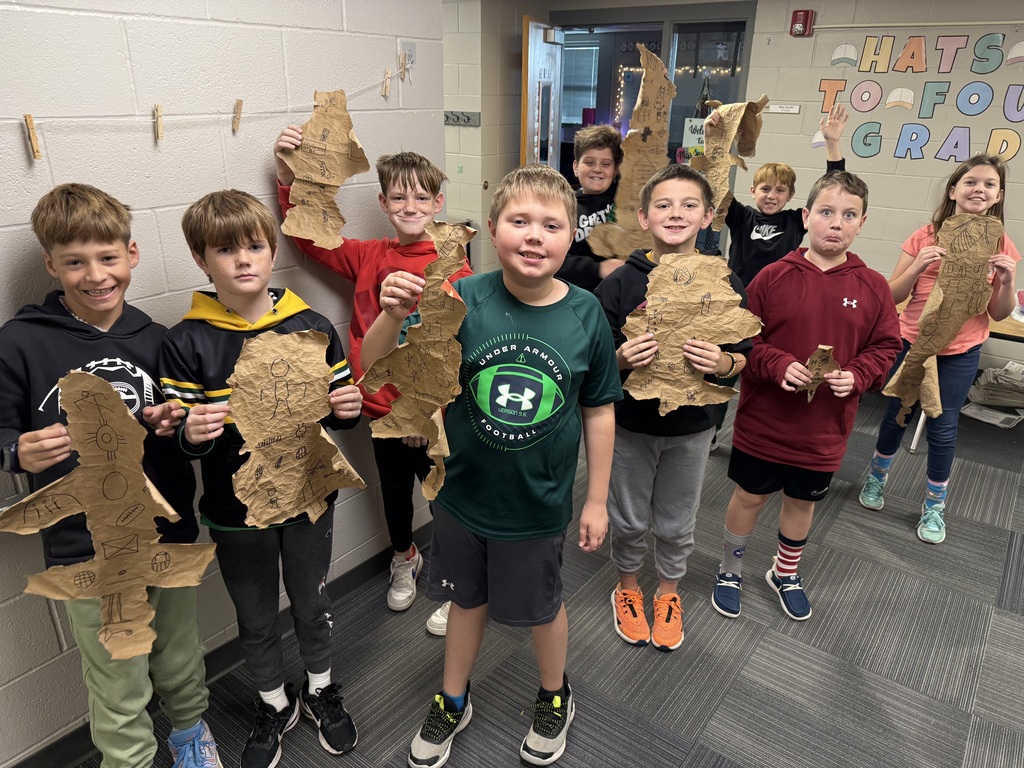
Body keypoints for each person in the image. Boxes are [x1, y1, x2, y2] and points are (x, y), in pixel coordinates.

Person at [361, 164, 621, 767]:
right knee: (464, 601)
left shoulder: (586, 315)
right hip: (460, 495)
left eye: (551, 225)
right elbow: (375, 366)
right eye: (519, 221)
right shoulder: (460, 298)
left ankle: (555, 693)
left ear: (571, 236)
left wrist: (597, 499)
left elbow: (599, 411)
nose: (534, 235)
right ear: (492, 230)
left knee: (541, 605)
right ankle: (454, 697)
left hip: (537, 503)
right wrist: (391, 315)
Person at [0, 184, 220, 768]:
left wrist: (173, 423)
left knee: (178, 654)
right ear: (51, 265)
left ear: (133, 255)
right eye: (75, 262)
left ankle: (191, 735)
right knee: (118, 677)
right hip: (86, 549)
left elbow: (181, 428)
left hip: (167, 533)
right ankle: (129, 761)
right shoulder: (19, 343)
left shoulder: (156, 338)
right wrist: (15, 453)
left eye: (107, 258)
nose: (95, 276)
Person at [159, 190, 363, 768]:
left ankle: (321, 688)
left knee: (311, 602)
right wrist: (190, 433)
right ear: (202, 259)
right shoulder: (187, 342)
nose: (244, 259)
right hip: (233, 509)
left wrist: (346, 409)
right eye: (226, 249)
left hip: (306, 501)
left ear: (273, 250)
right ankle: (274, 700)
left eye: (255, 245)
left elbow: (335, 417)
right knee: (253, 613)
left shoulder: (314, 325)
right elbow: (177, 437)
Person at [275, 128, 472, 634]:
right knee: (394, 495)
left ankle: (455, 580)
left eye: (422, 196)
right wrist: (285, 175)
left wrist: (426, 411)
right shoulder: (368, 256)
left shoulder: (456, 264)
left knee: (446, 498)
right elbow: (305, 235)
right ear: (384, 202)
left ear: (438, 202)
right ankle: (404, 558)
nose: (411, 205)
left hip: (432, 415)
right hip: (380, 410)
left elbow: (460, 347)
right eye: (399, 196)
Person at [711, 171, 901, 622]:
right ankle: (730, 568)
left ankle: (785, 571)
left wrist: (857, 375)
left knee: (802, 501)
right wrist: (777, 364)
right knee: (750, 496)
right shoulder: (772, 277)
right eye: (826, 212)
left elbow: (887, 347)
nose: (836, 223)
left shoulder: (873, 286)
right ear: (806, 217)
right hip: (765, 421)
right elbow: (743, 340)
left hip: (824, 428)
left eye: (849, 215)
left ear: (862, 223)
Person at [594, 164, 753, 650]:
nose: (675, 213)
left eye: (689, 205)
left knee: (678, 516)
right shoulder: (622, 283)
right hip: (629, 425)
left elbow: (747, 352)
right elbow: (592, 357)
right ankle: (626, 586)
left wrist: (725, 361)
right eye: (663, 204)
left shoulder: (725, 281)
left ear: (707, 217)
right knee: (627, 513)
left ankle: (667, 591)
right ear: (643, 217)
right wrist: (618, 359)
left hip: (693, 427)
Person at [859, 155, 1019, 544]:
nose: (978, 189)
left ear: (998, 196)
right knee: (897, 411)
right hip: (912, 342)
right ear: (953, 190)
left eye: (989, 184)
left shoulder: (1001, 244)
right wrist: (917, 267)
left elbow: (999, 311)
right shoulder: (925, 235)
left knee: (944, 427)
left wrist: (1006, 280)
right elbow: (892, 294)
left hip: (960, 350)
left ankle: (934, 505)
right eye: (970, 182)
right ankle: (877, 477)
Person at [704, 104, 849, 440]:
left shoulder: (796, 220)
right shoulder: (741, 216)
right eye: (765, 189)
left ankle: (772, 430)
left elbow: (834, 189)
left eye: (780, 190)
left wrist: (832, 146)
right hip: (738, 304)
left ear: (792, 196)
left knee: (772, 366)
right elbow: (714, 183)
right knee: (727, 365)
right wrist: (714, 141)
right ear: (753, 191)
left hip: (780, 305)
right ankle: (712, 428)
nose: (771, 196)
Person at [556, 124, 625, 290]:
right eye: (589, 162)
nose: (597, 170)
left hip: (621, 295)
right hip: (579, 297)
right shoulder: (563, 207)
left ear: (615, 169)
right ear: (575, 167)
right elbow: (554, 259)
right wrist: (598, 268)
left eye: (606, 164)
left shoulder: (624, 198)